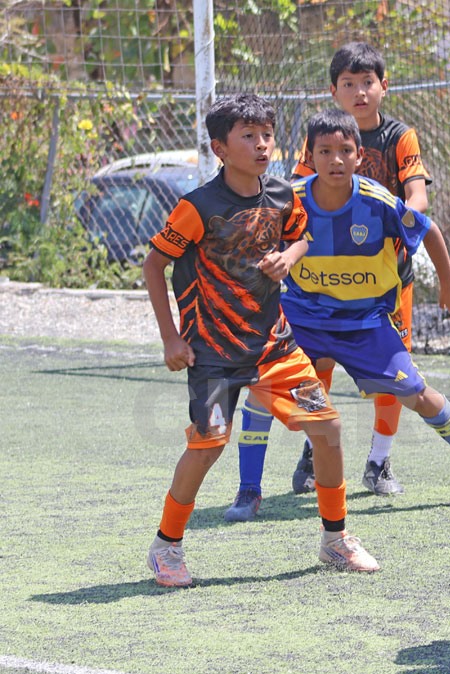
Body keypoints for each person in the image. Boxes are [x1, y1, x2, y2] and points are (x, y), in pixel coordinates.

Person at [141, 93, 377, 587]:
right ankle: (166, 546)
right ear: (220, 148)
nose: (262, 144)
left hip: (275, 347)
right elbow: (154, 264)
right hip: (213, 353)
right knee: (207, 446)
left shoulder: (284, 195)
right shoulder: (197, 207)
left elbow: (301, 236)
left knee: (328, 430)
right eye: (248, 136)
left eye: (267, 134)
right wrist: (170, 339)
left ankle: (335, 539)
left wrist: (289, 257)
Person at [225, 41, 436, 521]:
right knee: (312, 364)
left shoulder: (400, 137)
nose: (359, 92)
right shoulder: (319, 137)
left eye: (367, 82)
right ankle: (313, 449)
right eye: (349, 84)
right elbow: (294, 196)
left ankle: (379, 462)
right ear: (333, 91)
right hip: (320, 277)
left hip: (382, 276)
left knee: (393, 375)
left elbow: (417, 198)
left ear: (384, 86)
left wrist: (400, 225)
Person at [280, 109, 450, 507]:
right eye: (325, 151)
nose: (335, 159)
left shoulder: (377, 200)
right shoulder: (288, 201)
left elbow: (428, 227)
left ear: (359, 156)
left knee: (415, 393)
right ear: (310, 156)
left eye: (345, 150)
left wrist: (448, 284)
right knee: (262, 383)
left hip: (366, 321)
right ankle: (254, 487)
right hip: (308, 316)